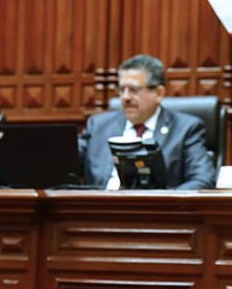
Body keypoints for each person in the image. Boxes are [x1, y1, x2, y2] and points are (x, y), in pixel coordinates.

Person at [81, 54, 216, 189]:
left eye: (133, 90)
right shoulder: (98, 126)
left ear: (159, 93)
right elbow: (66, 164)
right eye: (122, 89)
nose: (125, 97)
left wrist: (165, 203)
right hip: (100, 206)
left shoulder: (185, 129)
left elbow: (203, 179)